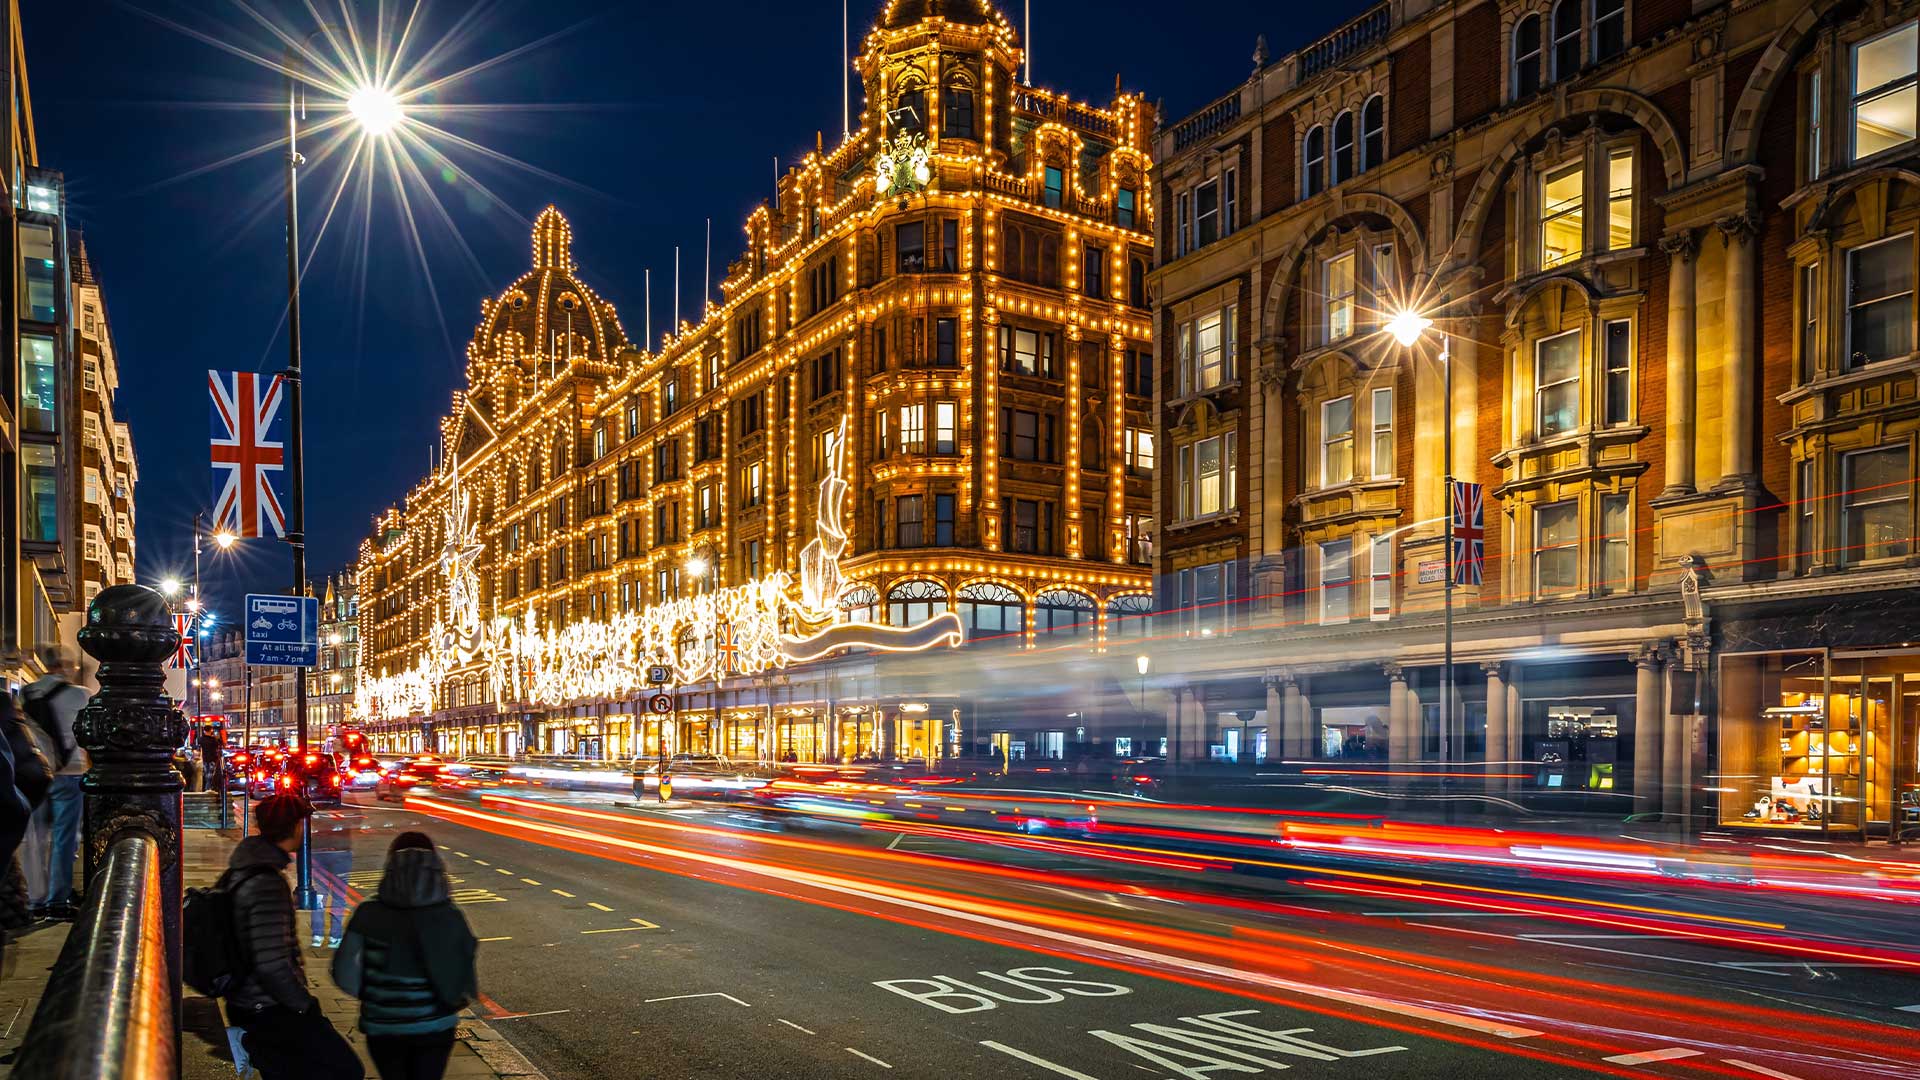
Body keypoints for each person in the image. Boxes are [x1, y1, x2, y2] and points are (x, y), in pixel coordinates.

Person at [223, 794, 364, 1080]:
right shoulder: (266, 882)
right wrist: (304, 1005)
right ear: (297, 827)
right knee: (346, 1069)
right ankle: (248, 1045)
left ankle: (254, 1047)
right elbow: (270, 962)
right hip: (268, 1006)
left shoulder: (245, 870)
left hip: (251, 1001)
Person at [332, 833, 476, 1080]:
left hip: (383, 1027)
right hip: (434, 1026)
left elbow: (343, 972)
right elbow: (464, 973)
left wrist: (376, 997)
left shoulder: (368, 912)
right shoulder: (449, 915)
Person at [21, 646, 89, 920]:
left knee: (35, 838)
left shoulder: (28, 693)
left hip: (35, 773)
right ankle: (57, 900)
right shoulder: (81, 695)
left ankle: (35, 898)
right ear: (67, 666)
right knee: (65, 838)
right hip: (70, 773)